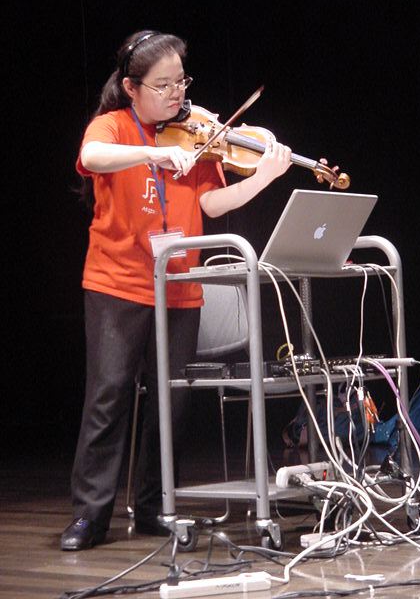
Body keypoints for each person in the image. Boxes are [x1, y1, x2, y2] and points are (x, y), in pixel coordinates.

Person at [61, 29, 292, 550]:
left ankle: (153, 506)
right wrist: (152, 156)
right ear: (131, 87)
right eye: (162, 85)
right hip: (118, 282)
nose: (175, 95)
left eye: (181, 82)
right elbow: (93, 157)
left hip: (180, 285)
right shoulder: (113, 125)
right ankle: (90, 515)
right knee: (109, 396)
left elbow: (210, 205)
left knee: (172, 401)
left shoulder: (194, 134)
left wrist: (264, 177)